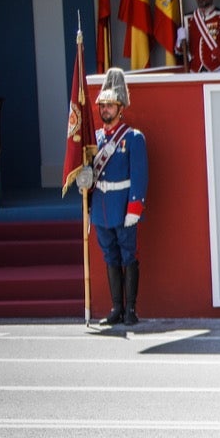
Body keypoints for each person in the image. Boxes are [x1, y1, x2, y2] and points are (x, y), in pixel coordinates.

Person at [74, 68, 147, 329]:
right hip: (103, 207)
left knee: (129, 256)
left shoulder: (133, 138)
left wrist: (134, 207)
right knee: (110, 257)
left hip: (124, 205)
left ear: (120, 107)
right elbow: (90, 173)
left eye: (109, 105)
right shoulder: (95, 139)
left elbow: (139, 176)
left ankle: (130, 309)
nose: (104, 109)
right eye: (102, 105)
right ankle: (116, 307)